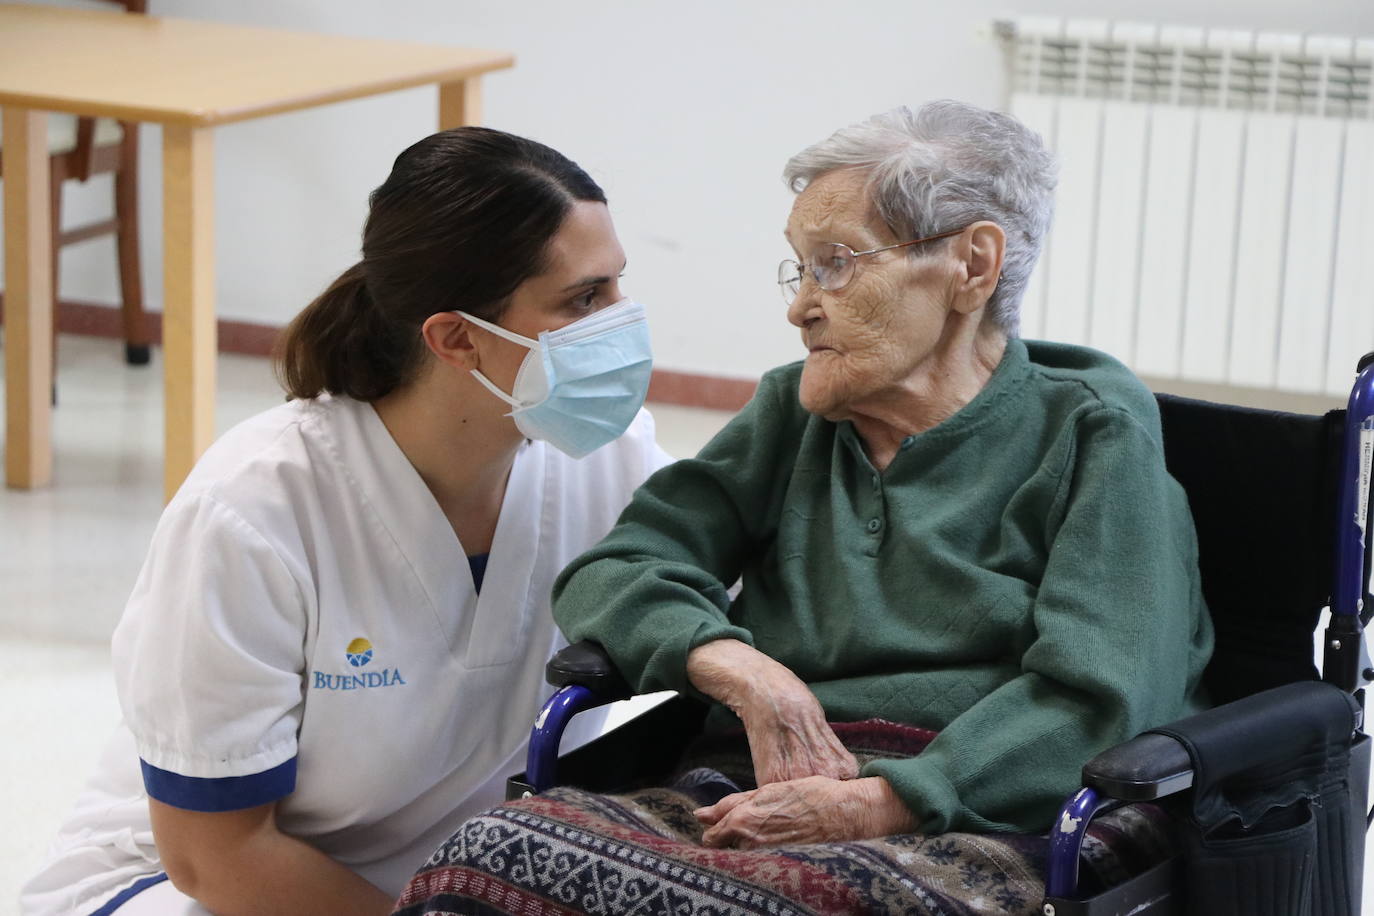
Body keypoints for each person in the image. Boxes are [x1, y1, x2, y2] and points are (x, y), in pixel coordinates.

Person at [394, 101, 1214, 916]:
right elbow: (619, 569)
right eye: (801, 268)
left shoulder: (1090, 433)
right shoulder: (796, 413)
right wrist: (739, 667)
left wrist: (886, 799)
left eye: (837, 263)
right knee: (480, 859)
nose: (799, 308)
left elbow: (1101, 696)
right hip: (757, 786)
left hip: (994, 811)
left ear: (973, 264)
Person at [21, 127, 671, 916]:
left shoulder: (610, 462)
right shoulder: (254, 511)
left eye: (617, 287)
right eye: (584, 299)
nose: (622, 323)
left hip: (451, 887)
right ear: (456, 337)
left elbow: (734, 606)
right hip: (206, 890)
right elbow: (213, 856)